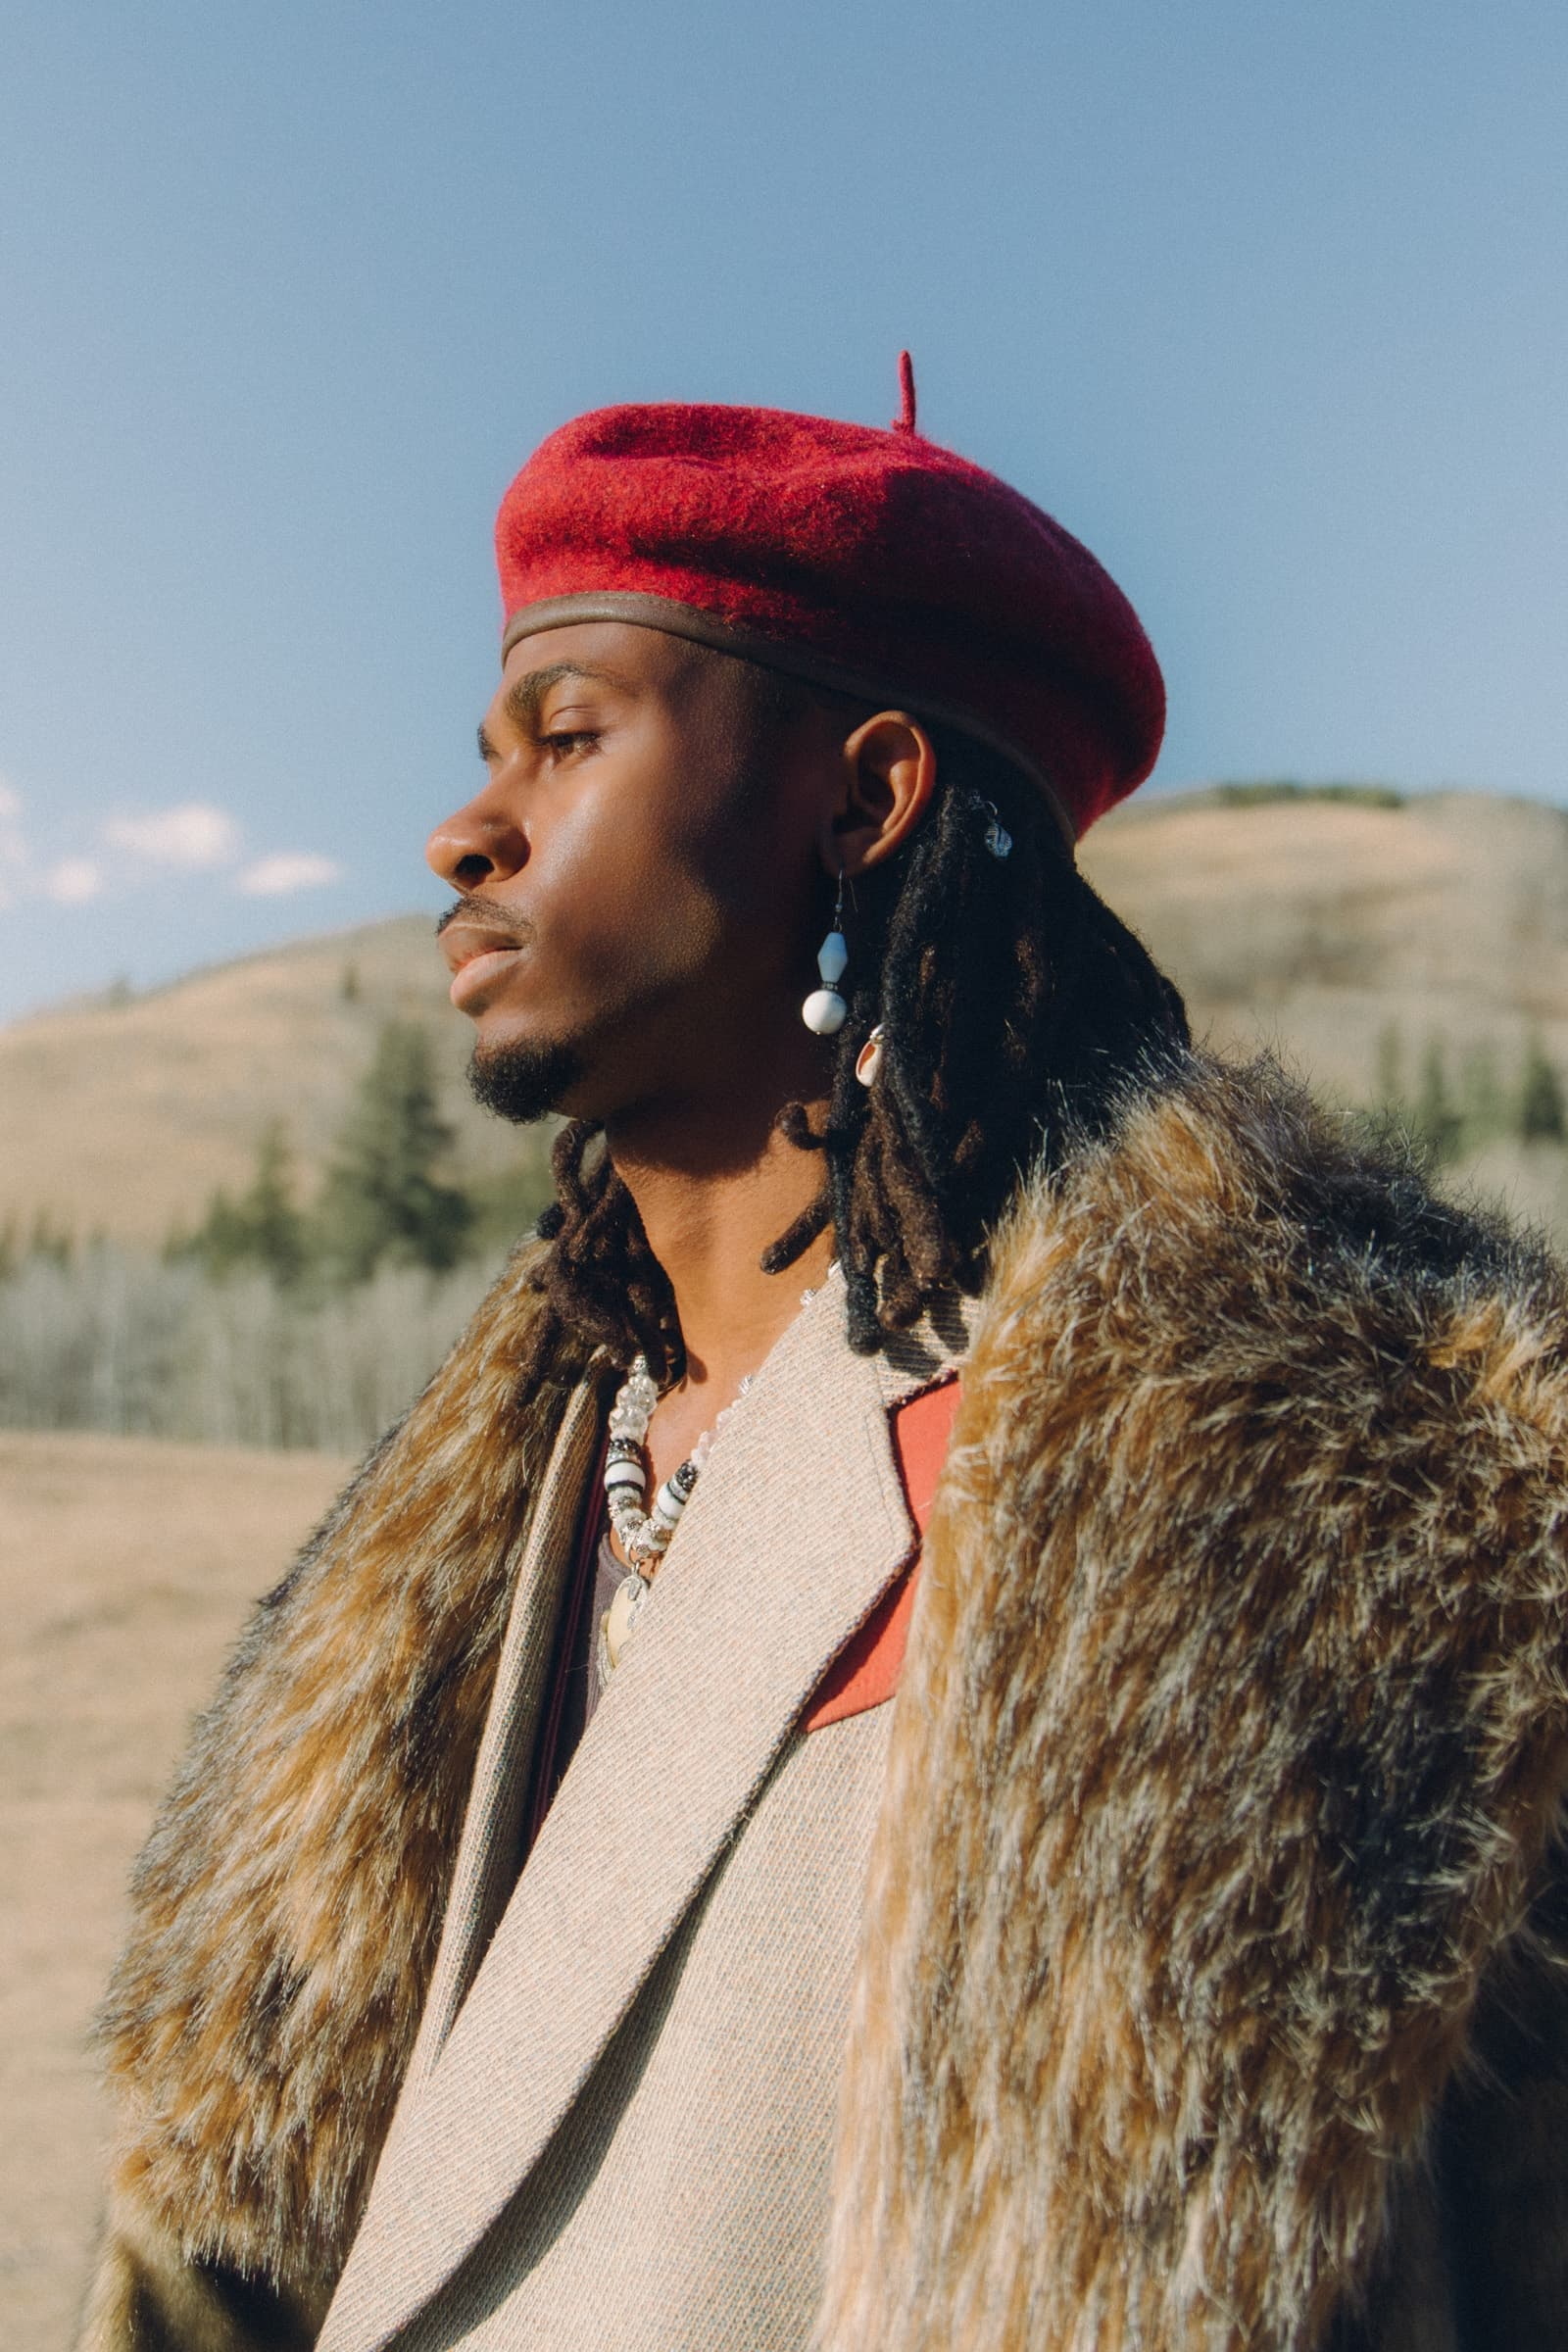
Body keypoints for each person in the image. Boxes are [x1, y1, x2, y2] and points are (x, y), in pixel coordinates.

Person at [80, 368, 1568, 2352]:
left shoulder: (1317, 1507)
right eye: (487, 754)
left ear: (863, 795)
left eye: (568, 737)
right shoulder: (477, 1513)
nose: (461, 831)